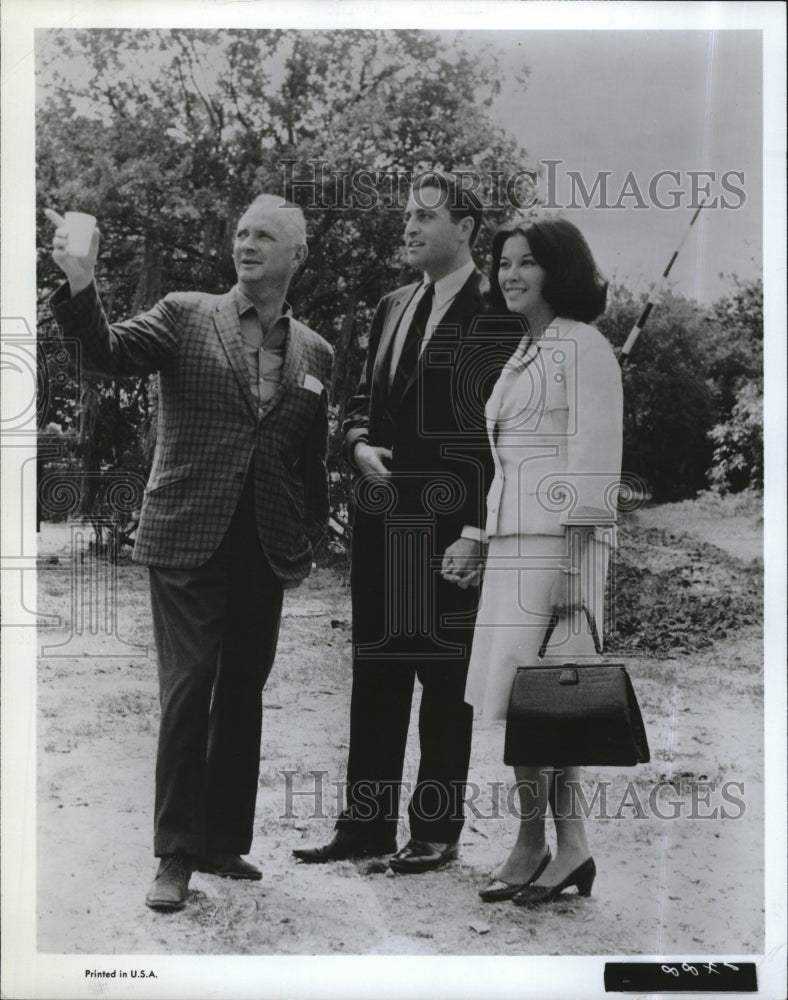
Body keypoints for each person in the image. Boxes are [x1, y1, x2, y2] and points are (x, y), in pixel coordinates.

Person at [46, 195, 333, 910]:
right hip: (185, 532)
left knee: (242, 689)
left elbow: (308, 456)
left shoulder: (316, 352)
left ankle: (221, 840)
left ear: (297, 255)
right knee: (190, 683)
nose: (247, 243)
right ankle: (174, 852)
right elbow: (105, 353)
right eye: (241, 232)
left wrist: (310, 535)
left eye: (264, 236)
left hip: (264, 543)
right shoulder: (184, 314)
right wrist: (81, 282)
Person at [293, 171, 503, 873]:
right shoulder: (390, 305)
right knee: (377, 678)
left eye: (425, 216)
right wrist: (356, 444)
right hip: (381, 523)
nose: (409, 226)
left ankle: (437, 832)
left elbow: (501, 435)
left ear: (465, 228)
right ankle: (365, 826)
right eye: (407, 215)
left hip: (450, 530)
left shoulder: (498, 310)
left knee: (444, 685)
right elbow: (360, 400)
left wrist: (477, 531)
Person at [464, 217, 622, 905]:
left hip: (561, 550)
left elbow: (595, 461)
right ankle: (563, 845)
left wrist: (569, 572)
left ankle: (540, 845)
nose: (511, 274)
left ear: (560, 269)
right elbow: (507, 464)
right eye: (504, 263)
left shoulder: (584, 345)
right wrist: (483, 537)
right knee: (532, 700)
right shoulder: (525, 351)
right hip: (515, 545)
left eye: (527, 262)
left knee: (550, 700)